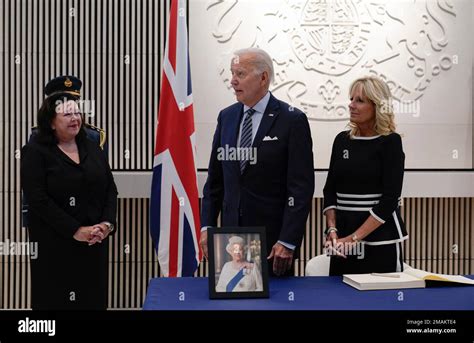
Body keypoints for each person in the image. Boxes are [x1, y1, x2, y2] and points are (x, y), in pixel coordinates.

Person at [200, 48, 314, 276]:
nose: (233, 81)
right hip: (230, 241)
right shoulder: (227, 117)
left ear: (263, 77)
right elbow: (215, 181)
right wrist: (207, 226)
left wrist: (288, 240)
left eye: (240, 74)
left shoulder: (292, 120)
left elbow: (300, 188)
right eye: (232, 73)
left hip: (274, 244)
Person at [20, 75, 118, 310]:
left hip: (94, 243)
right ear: (51, 121)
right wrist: (75, 230)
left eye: (77, 112)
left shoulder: (92, 145)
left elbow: (110, 189)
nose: (75, 118)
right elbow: (37, 200)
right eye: (67, 114)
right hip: (55, 246)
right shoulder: (35, 150)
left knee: (92, 301)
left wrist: (106, 224)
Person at [323, 76, 408, 275]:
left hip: (380, 239)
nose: (351, 105)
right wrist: (332, 231)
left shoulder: (390, 143)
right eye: (351, 99)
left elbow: (389, 200)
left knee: (381, 303)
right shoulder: (341, 140)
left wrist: (354, 238)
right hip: (341, 242)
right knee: (340, 300)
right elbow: (329, 190)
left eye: (359, 100)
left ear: (377, 106)